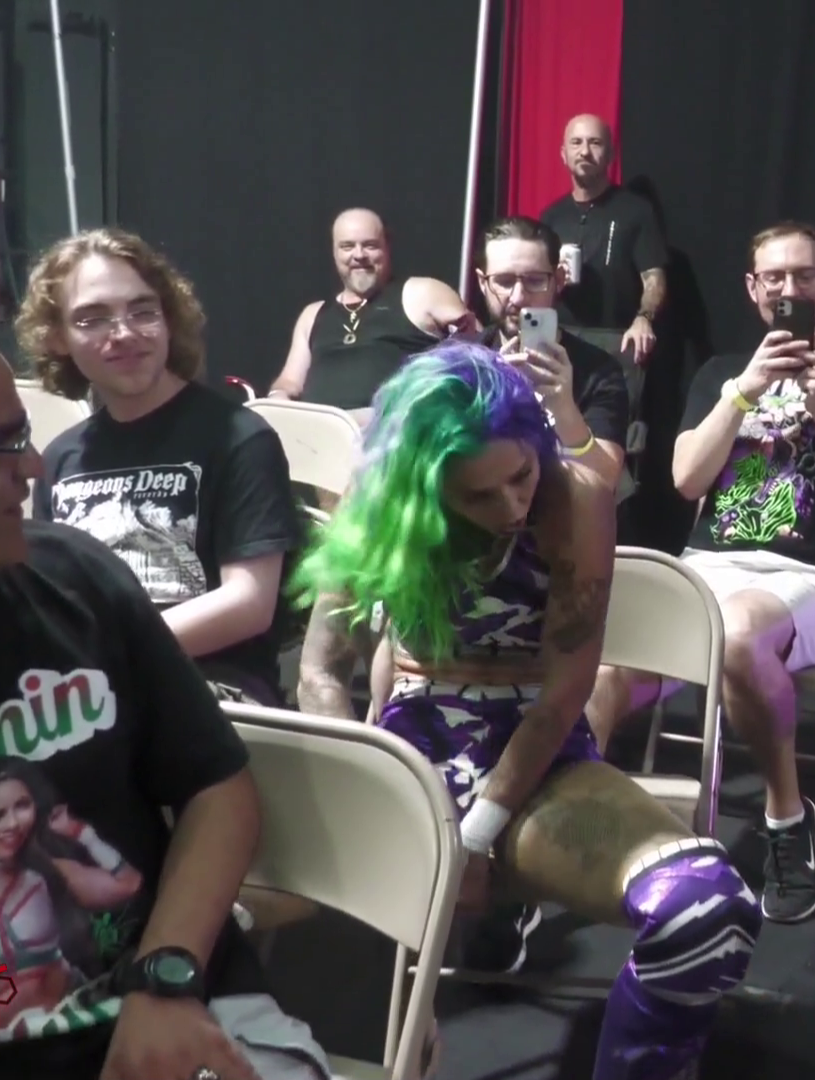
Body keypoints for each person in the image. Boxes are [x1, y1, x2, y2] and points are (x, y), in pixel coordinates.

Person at [0, 302, 331, 1080]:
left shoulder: (75, 578)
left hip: (184, 1008)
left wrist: (164, 978)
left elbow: (217, 788)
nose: (33, 469)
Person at [291, 342, 761, 1080]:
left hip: (539, 754)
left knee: (706, 913)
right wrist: (363, 801)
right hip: (410, 752)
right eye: (478, 495)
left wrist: (478, 834)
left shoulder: (576, 498)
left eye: (520, 476)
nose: (511, 506)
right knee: (230, 889)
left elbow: (566, 690)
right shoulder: (376, 501)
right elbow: (321, 671)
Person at [585, 222, 815, 925]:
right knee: (599, 661)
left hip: (809, 579)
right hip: (708, 568)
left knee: (734, 634)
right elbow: (685, 480)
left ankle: (787, 818)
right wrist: (742, 394)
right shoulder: (720, 374)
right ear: (753, 289)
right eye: (774, 278)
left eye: (803, 275)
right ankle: (581, 829)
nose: (789, 289)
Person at [19, 228, 305, 707]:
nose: (123, 333)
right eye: (93, 318)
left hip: (211, 689)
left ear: (169, 319)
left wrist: (109, 653)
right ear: (57, 337)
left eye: (142, 311)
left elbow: (249, 604)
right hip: (93, 688)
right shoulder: (61, 457)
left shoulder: (238, 437)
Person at [268, 208, 475, 422]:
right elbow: (289, 381)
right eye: (347, 246)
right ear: (334, 252)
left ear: (387, 247)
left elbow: (479, 350)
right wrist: (278, 396)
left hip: (392, 428)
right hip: (318, 432)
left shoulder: (421, 293)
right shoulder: (313, 314)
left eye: (370, 245)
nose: (359, 255)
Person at [475, 215, 632, 490]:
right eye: (504, 281)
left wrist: (564, 408)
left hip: (562, 508)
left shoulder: (599, 371)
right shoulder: (463, 360)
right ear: (482, 283)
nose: (518, 297)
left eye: (535, 281)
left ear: (558, 280)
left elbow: (605, 482)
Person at [539, 115, 668, 398]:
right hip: (559, 336)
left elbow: (654, 278)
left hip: (615, 340)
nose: (584, 151)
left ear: (610, 154)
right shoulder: (552, 216)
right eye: (576, 143)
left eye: (595, 143)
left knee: (611, 420)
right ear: (563, 154)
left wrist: (644, 318)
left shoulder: (635, 210)